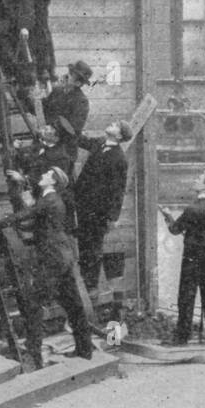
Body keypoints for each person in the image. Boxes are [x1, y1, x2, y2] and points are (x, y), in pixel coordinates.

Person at [0, 166, 93, 367]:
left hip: (54, 258)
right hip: (63, 256)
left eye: (46, 175)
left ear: (53, 182)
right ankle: (85, 350)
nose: (42, 176)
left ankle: (34, 355)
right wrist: (22, 182)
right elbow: (31, 209)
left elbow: (25, 214)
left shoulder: (49, 200)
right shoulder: (49, 199)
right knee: (74, 305)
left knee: (34, 303)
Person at [72, 120, 131, 292]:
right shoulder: (99, 143)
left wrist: (113, 217)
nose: (111, 124)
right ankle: (85, 283)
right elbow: (83, 141)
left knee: (93, 247)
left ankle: (91, 286)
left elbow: (118, 190)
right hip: (84, 204)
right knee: (84, 243)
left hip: (98, 210)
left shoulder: (119, 158)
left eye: (115, 125)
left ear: (119, 136)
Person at [167, 172, 205, 345]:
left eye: (198, 179)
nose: (194, 180)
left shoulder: (192, 208)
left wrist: (168, 216)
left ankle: (182, 335)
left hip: (192, 257)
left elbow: (175, 229)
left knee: (186, 295)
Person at [43, 60, 93, 172]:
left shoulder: (81, 101)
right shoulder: (57, 91)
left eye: (70, 75)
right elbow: (43, 108)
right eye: (68, 73)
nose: (66, 76)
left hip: (64, 151)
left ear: (78, 83)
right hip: (46, 145)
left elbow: (73, 128)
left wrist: (54, 127)